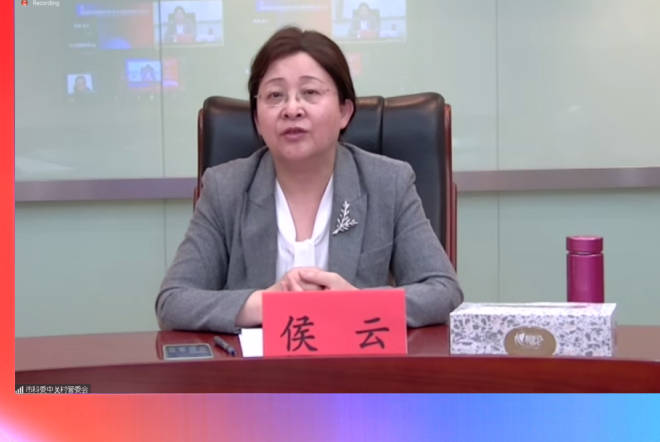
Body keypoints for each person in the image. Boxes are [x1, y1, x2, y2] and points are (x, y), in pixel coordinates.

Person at [155, 26, 463, 333]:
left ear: (344, 112)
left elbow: (443, 291)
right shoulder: (225, 189)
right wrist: (265, 304)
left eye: (310, 92)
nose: (292, 109)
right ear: (257, 119)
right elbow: (173, 301)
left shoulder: (388, 182)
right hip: (258, 364)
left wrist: (359, 303)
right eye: (275, 95)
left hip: (356, 362)